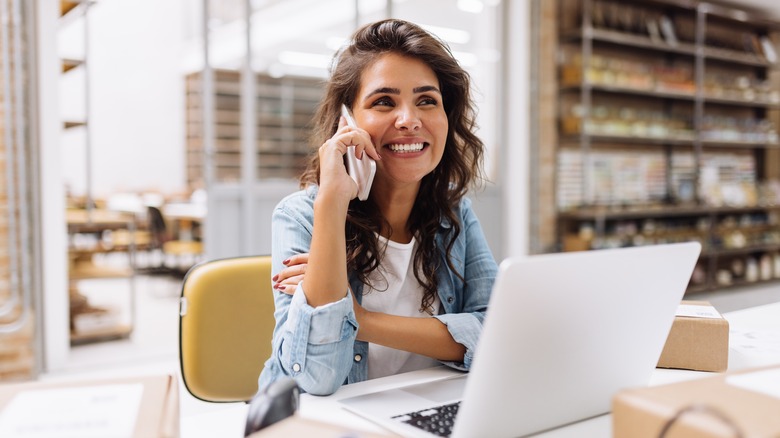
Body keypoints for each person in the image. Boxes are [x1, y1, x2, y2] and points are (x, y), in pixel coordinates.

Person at [257, 18, 498, 396]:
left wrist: (361, 319)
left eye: (426, 101)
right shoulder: (302, 215)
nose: (409, 120)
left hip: (420, 411)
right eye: (384, 102)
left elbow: (496, 335)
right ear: (346, 121)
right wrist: (332, 203)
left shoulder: (454, 213)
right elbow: (316, 379)